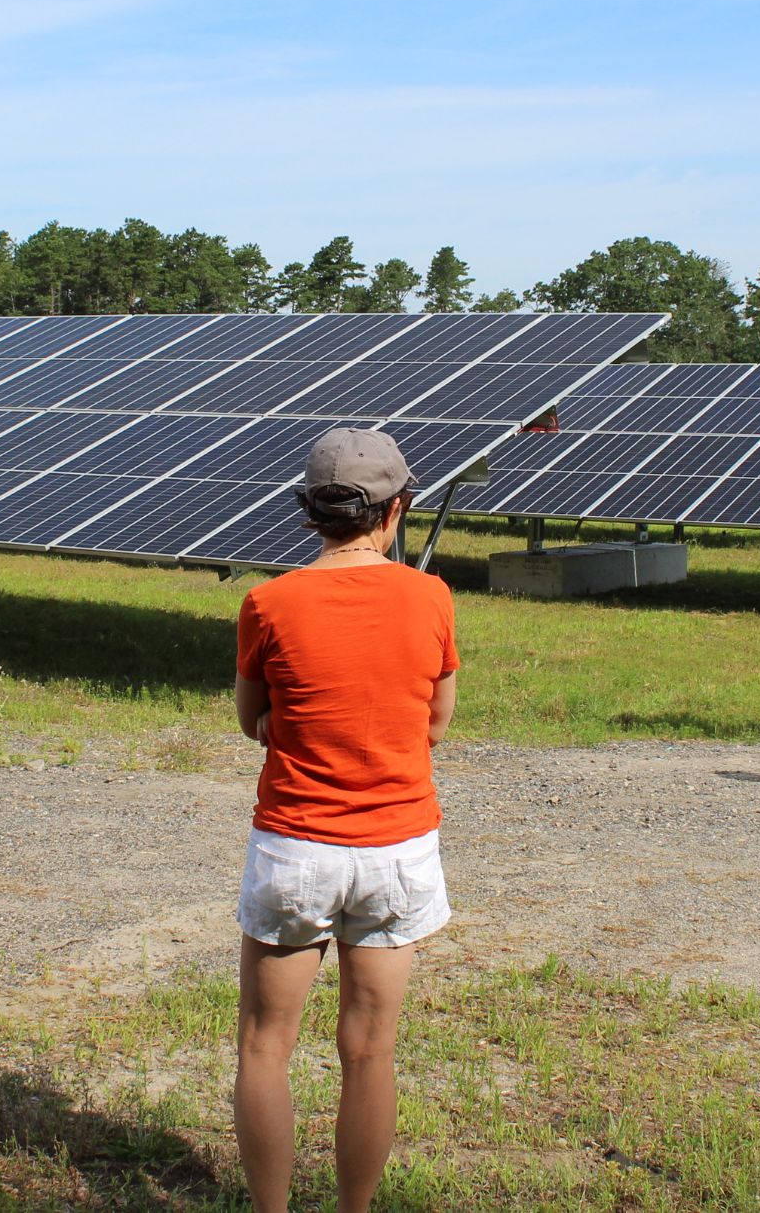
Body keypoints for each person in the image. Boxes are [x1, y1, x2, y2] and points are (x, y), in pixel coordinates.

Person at [231, 427, 457, 1213]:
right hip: (397, 851)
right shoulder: (430, 596)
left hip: (295, 847)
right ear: (396, 511)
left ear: (310, 514)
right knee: (371, 1051)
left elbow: (251, 717)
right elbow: (434, 722)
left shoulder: (268, 601)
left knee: (265, 1046)